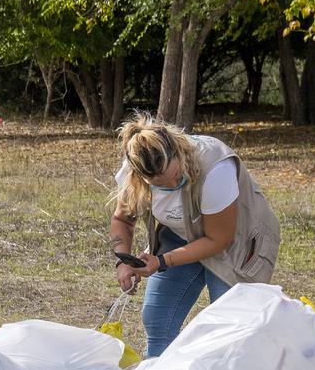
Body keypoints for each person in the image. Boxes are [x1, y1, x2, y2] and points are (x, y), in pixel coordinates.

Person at [109, 112, 280, 357]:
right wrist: (123, 261)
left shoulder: (214, 167)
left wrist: (162, 262)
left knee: (227, 330)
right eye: (160, 185)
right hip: (180, 235)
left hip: (234, 243)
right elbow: (122, 219)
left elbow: (218, 240)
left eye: (176, 178)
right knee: (157, 318)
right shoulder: (134, 171)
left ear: (179, 153)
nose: (171, 187)